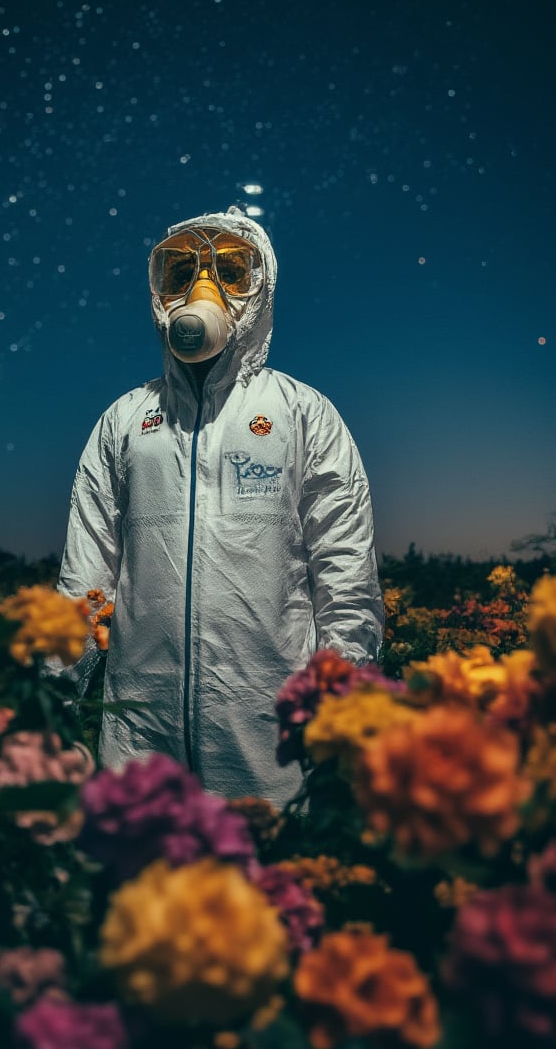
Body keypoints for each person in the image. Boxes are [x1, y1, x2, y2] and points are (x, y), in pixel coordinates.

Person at [57, 206, 384, 806]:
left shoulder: (302, 415)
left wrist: (342, 707)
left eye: (231, 272)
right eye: (180, 271)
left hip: (272, 745)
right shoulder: (125, 422)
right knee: (139, 894)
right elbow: (86, 580)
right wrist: (49, 695)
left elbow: (345, 579)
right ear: (158, 290)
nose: (201, 289)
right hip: (137, 742)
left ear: (262, 289)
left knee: (267, 893)